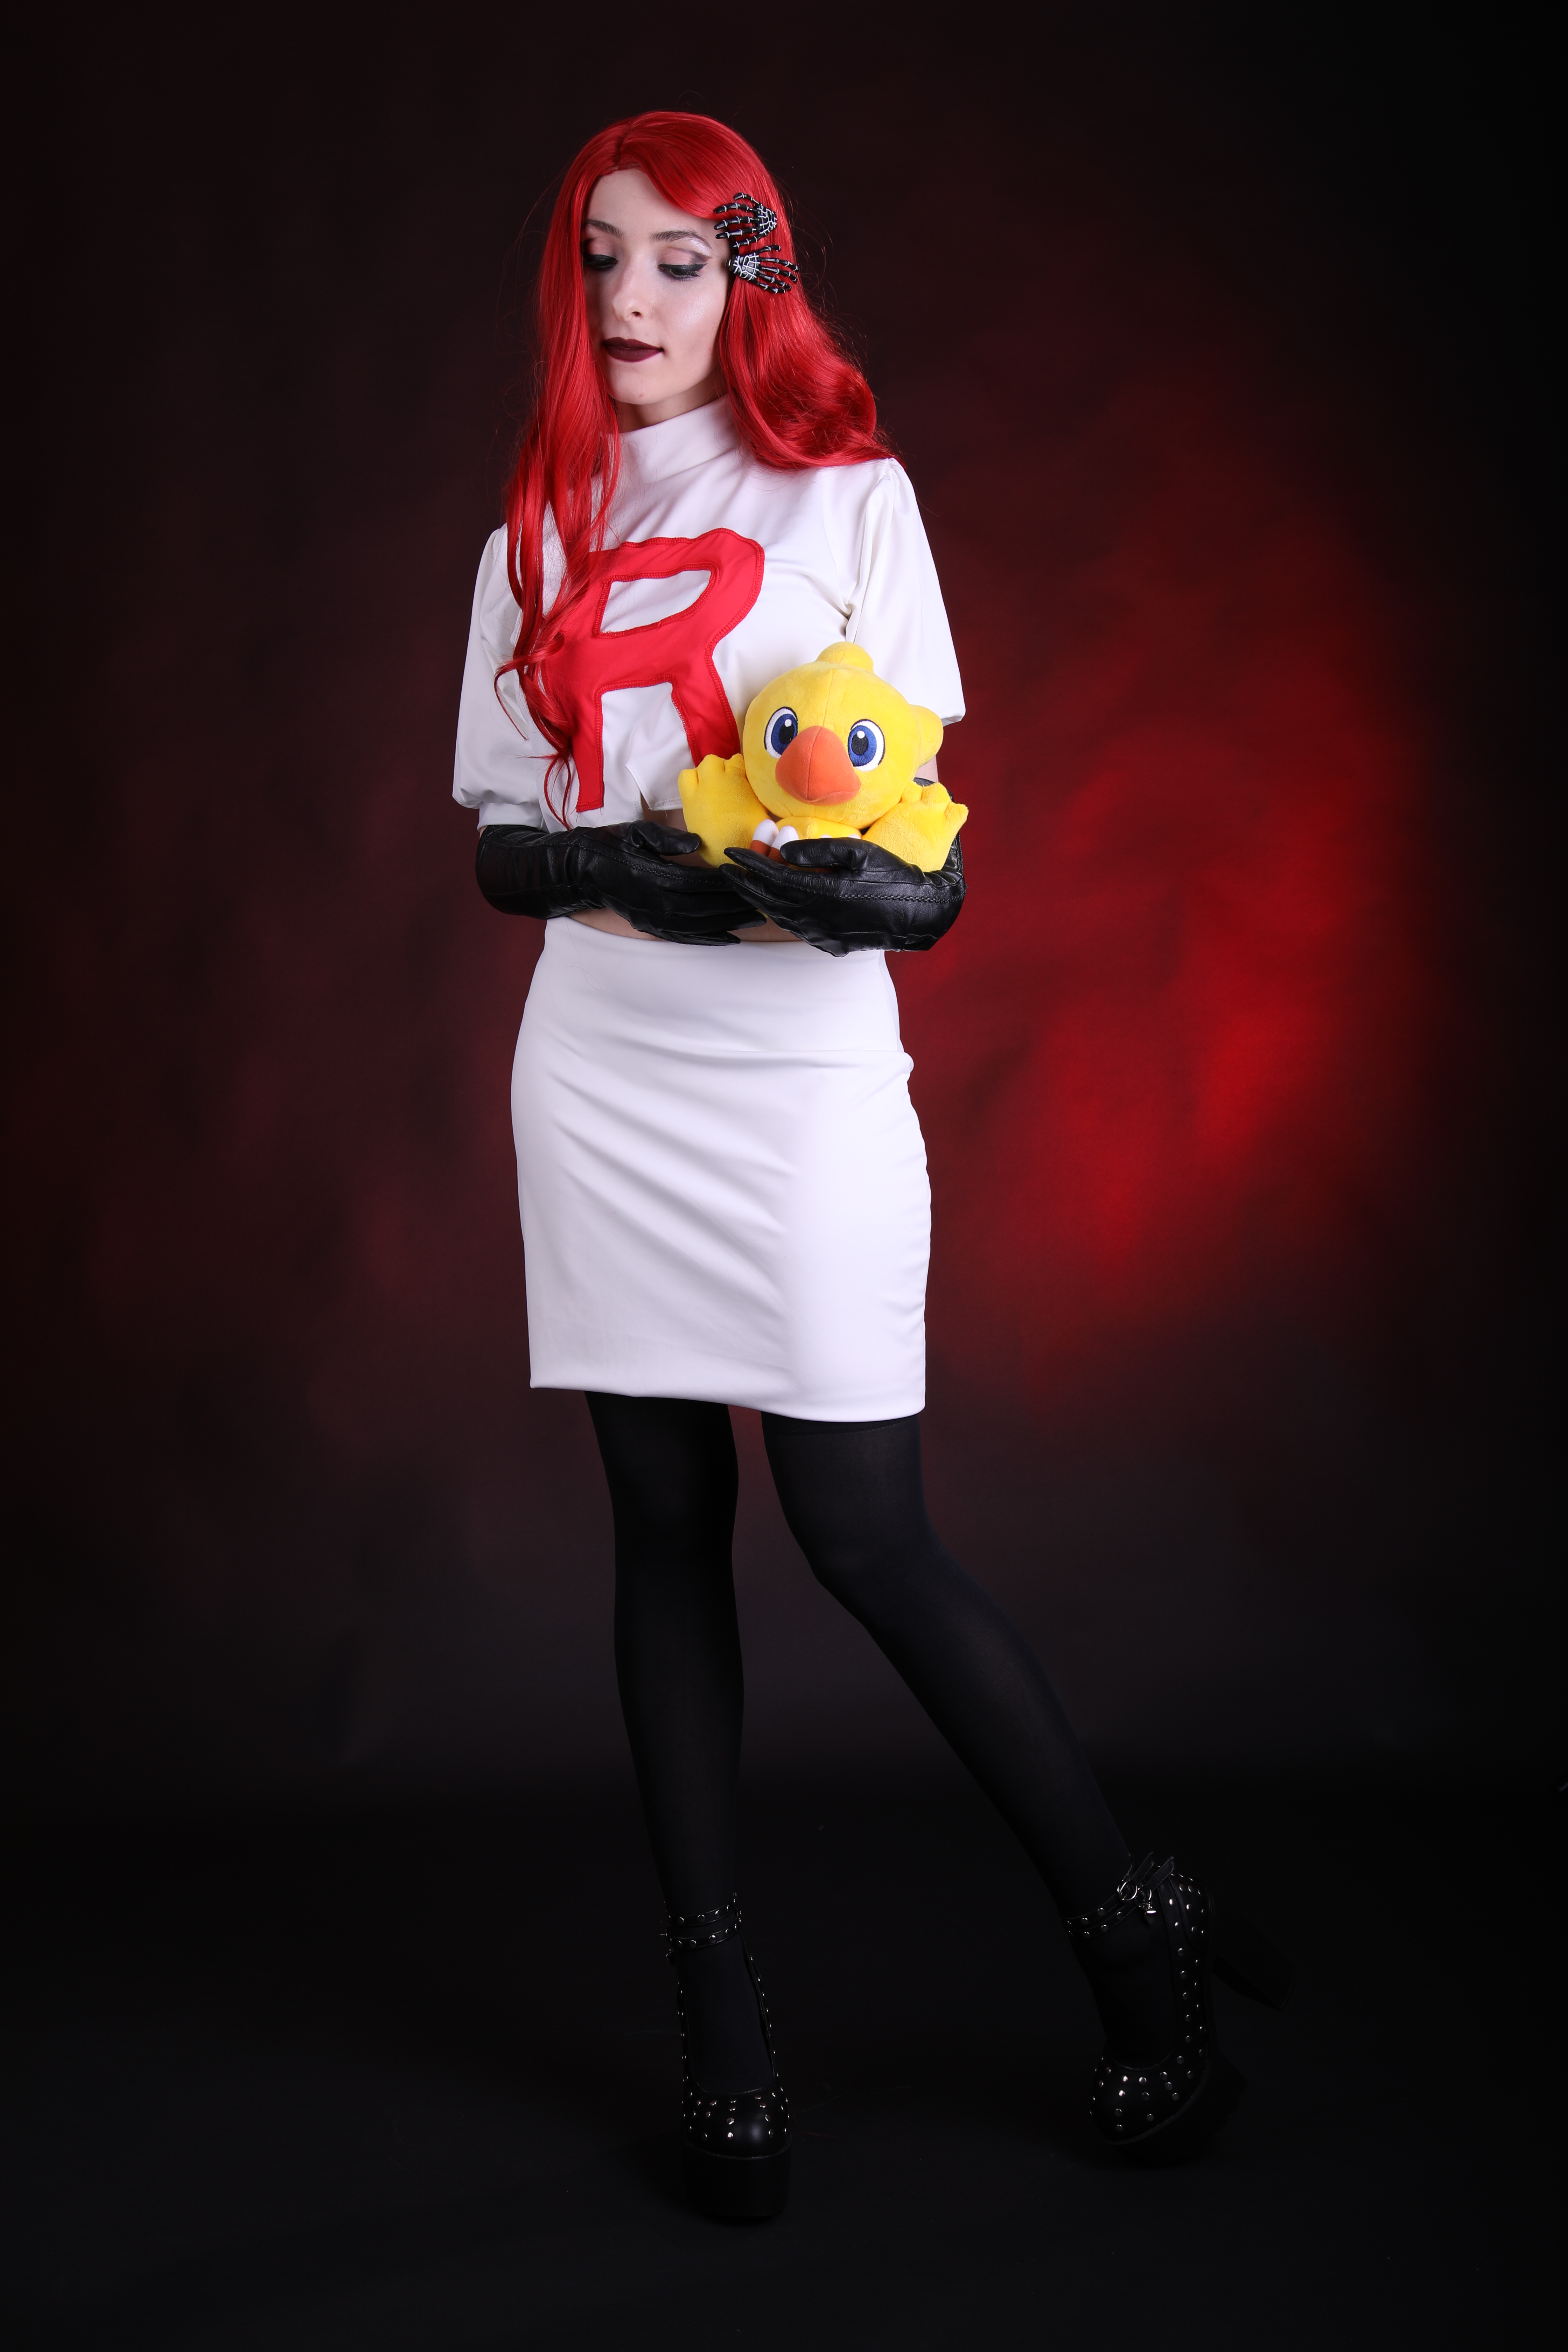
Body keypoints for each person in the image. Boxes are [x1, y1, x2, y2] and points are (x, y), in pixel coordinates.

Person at [454, 111, 1288, 2220]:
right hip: (604, 1068)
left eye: (676, 259)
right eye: (599, 257)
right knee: (661, 1531)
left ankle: (1136, 1937)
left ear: (749, 276)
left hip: (797, 1079)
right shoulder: (536, 528)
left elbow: (920, 815)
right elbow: (497, 838)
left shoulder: (853, 499)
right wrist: (612, 867)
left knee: (864, 1533)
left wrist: (892, 903)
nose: (630, 299)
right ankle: (725, 2035)